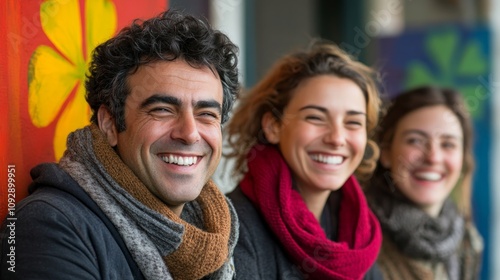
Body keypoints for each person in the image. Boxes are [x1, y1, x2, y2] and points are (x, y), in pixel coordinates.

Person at [0, 10, 240, 279]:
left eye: (207, 114)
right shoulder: (49, 227)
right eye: (162, 110)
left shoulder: (218, 235)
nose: (190, 133)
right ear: (109, 124)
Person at [225, 40, 384, 279]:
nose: (337, 138)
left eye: (353, 122)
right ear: (273, 126)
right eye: (316, 118)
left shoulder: (357, 231)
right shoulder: (232, 229)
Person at [364, 86, 484, 279]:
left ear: (462, 157)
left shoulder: (467, 242)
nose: (433, 157)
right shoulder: (358, 236)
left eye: (448, 144)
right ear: (385, 152)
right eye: (415, 141)